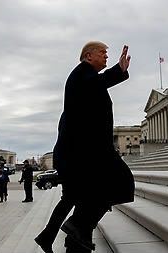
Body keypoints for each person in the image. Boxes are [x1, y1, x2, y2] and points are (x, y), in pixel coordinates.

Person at [44, 41, 134, 253]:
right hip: (89, 151)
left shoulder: (86, 77)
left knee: (93, 194)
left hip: (89, 150)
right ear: (88, 56)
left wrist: (118, 71)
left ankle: (77, 233)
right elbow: (97, 84)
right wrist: (118, 71)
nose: (106, 56)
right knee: (119, 182)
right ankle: (77, 227)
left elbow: (97, 85)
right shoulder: (81, 75)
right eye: (102, 52)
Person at [34, 114, 74, 253]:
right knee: (69, 199)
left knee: (68, 199)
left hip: (65, 157)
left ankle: (47, 236)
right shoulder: (75, 109)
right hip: (71, 158)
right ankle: (51, 235)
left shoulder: (68, 112)